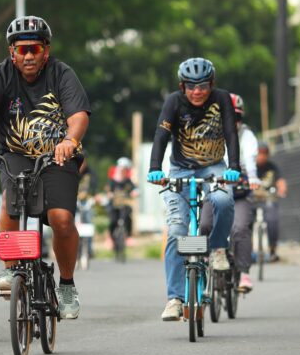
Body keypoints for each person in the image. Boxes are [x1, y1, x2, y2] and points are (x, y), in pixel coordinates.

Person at [0, 15, 91, 320]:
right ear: (12, 52)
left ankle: (66, 285)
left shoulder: (62, 74)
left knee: (61, 219)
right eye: (22, 50)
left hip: (58, 156)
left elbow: (79, 116)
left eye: (35, 49)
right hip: (16, 155)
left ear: (45, 50)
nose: (29, 56)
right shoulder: (0, 75)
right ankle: (11, 270)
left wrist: (69, 141)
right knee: (10, 208)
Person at [147, 57, 241, 322]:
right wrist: (156, 168)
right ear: (182, 86)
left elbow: (231, 134)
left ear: (212, 85)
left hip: (214, 167)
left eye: (203, 86)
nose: (197, 92)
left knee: (223, 200)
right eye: (191, 86)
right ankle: (175, 299)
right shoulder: (173, 102)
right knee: (177, 230)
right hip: (180, 169)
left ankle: (218, 249)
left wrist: (233, 166)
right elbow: (161, 136)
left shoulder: (222, 99)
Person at [199, 93, 259, 292]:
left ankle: (243, 274)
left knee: (240, 228)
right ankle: (207, 260)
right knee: (205, 224)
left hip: (240, 193)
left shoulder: (247, 136)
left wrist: (252, 178)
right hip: (215, 190)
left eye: (235, 118)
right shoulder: (207, 134)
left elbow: (250, 159)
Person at [253, 142, 287, 262]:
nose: (261, 156)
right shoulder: (250, 167)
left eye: (264, 153)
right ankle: (245, 250)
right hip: (252, 199)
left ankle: (272, 250)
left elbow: (280, 181)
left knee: (273, 221)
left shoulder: (273, 167)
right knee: (245, 222)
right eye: (259, 153)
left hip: (268, 198)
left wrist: (282, 189)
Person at [108, 157, 137, 261]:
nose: (122, 171)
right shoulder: (113, 181)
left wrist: (135, 192)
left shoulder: (128, 181)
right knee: (112, 221)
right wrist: (110, 194)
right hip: (114, 205)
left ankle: (128, 236)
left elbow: (135, 188)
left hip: (124, 205)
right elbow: (108, 190)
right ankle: (111, 238)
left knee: (128, 217)